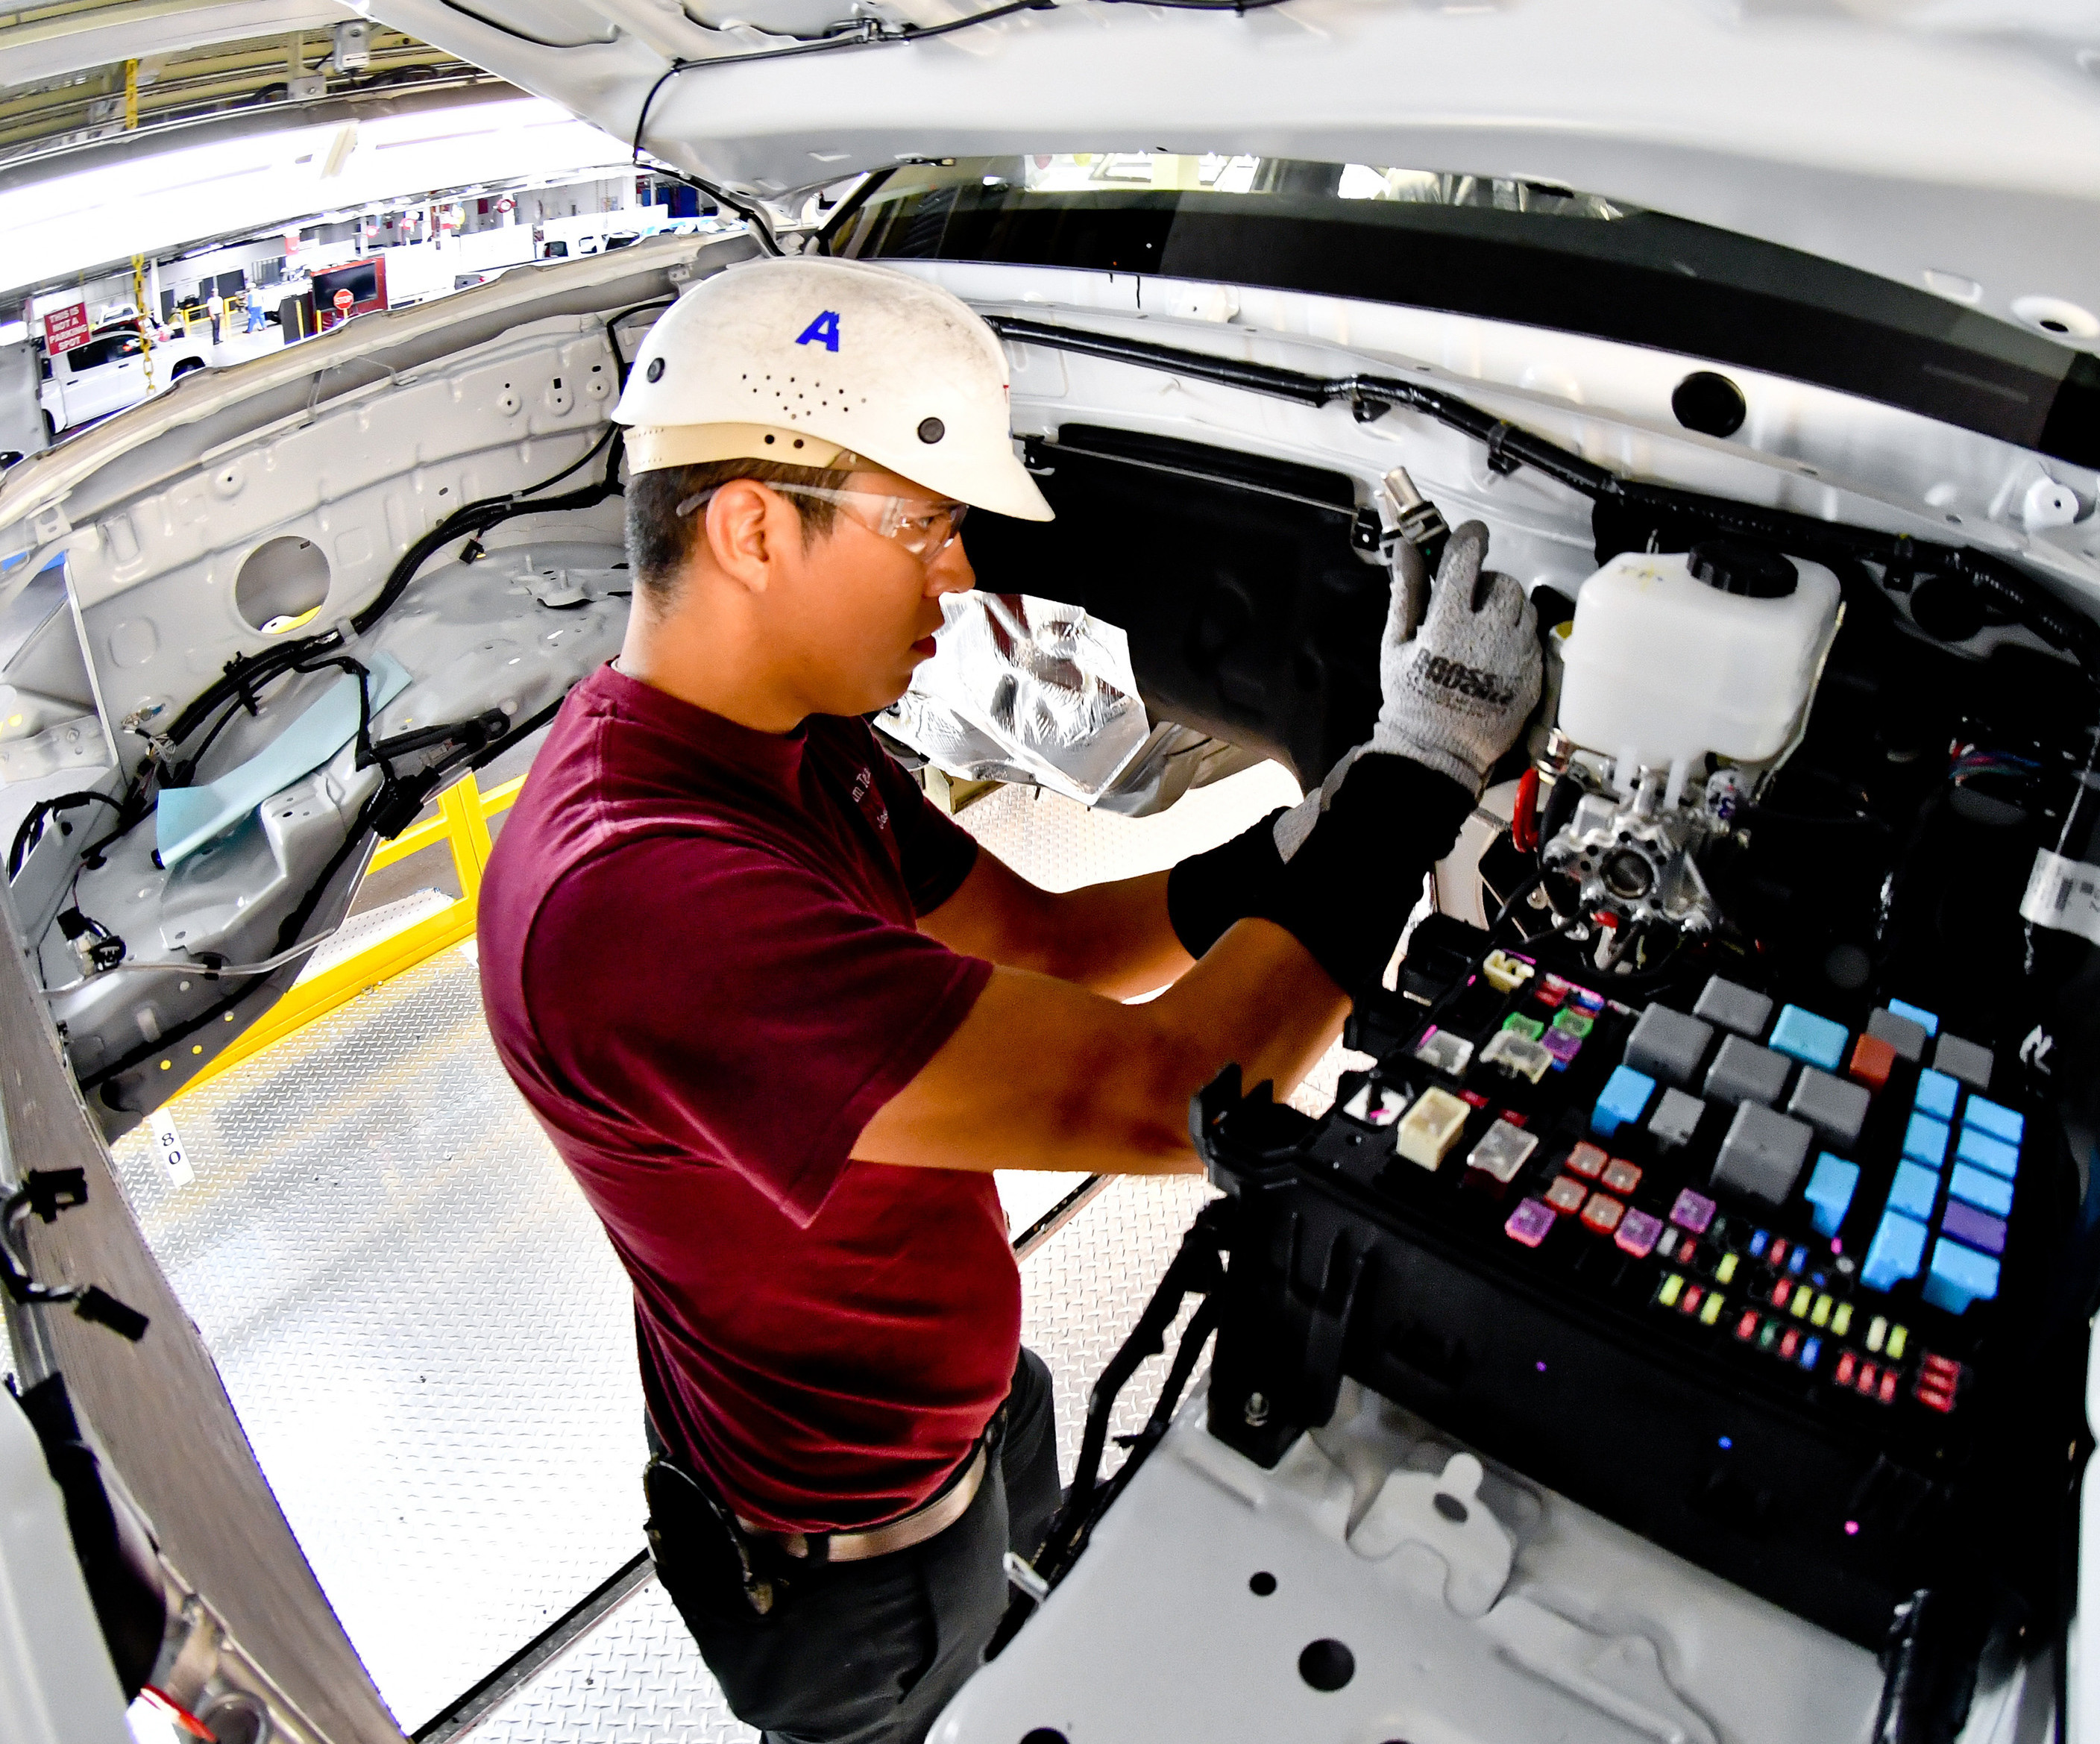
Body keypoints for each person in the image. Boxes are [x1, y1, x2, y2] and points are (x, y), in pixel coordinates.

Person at [476, 257, 1541, 1744]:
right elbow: (1166, 1095)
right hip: (853, 1567)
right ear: (748, 526)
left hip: (976, 1408)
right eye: (919, 524)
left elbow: (1040, 938)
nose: (960, 573)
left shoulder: (779, 741)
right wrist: (1418, 778)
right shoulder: (640, 899)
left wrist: (1307, 831)